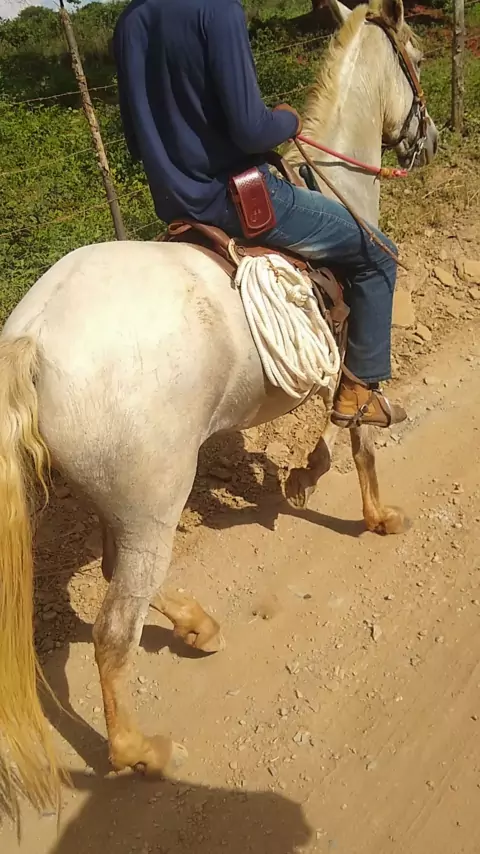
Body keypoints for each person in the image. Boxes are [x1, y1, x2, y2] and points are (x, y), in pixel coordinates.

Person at [113, 0, 406, 428]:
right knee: (378, 254)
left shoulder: (130, 21)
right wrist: (286, 121)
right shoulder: (218, 11)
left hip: (176, 204)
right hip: (238, 201)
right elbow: (252, 132)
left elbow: (135, 141)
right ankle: (358, 392)